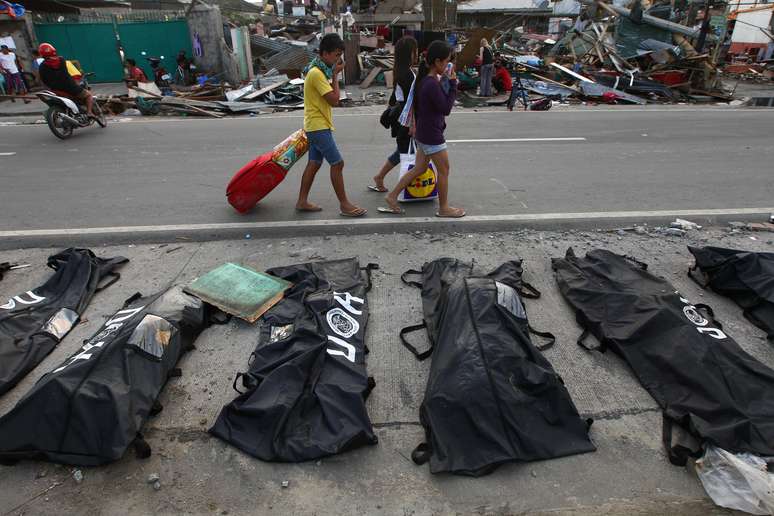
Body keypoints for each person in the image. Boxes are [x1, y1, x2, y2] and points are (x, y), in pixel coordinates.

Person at [380, 40, 465, 218]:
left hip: (424, 133)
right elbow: (446, 109)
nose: (448, 65)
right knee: (444, 170)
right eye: (447, 61)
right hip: (431, 134)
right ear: (437, 62)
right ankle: (444, 208)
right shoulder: (431, 83)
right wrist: (453, 84)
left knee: (419, 168)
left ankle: (392, 196)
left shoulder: (426, 80)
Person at [296, 33, 366, 217]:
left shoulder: (318, 70)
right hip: (318, 127)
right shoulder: (317, 73)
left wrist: (333, 73)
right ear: (325, 53)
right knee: (337, 163)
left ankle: (302, 201)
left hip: (316, 124)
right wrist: (335, 75)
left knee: (314, 163)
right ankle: (344, 205)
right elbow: (334, 100)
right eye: (336, 55)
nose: (337, 59)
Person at [369, 35, 418, 193]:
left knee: (404, 151)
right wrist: (412, 123)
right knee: (407, 154)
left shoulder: (401, 71)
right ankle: (401, 191)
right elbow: (410, 101)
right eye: (414, 51)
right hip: (406, 121)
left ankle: (380, 177)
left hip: (402, 119)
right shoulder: (407, 74)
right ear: (408, 53)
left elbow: (395, 98)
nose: (416, 54)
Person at [37, 43, 96, 117]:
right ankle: (89, 112)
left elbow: (44, 80)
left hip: (55, 90)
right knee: (88, 95)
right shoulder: (61, 60)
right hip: (70, 87)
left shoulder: (42, 66)